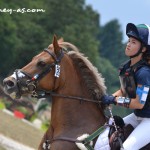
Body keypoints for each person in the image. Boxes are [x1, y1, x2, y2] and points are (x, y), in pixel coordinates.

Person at [102, 23, 150, 150]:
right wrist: (109, 98)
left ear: (143, 49)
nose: (128, 44)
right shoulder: (127, 68)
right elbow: (124, 91)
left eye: (133, 42)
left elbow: (139, 103)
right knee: (106, 138)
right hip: (137, 117)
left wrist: (114, 100)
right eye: (129, 40)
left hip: (148, 122)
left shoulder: (144, 73)